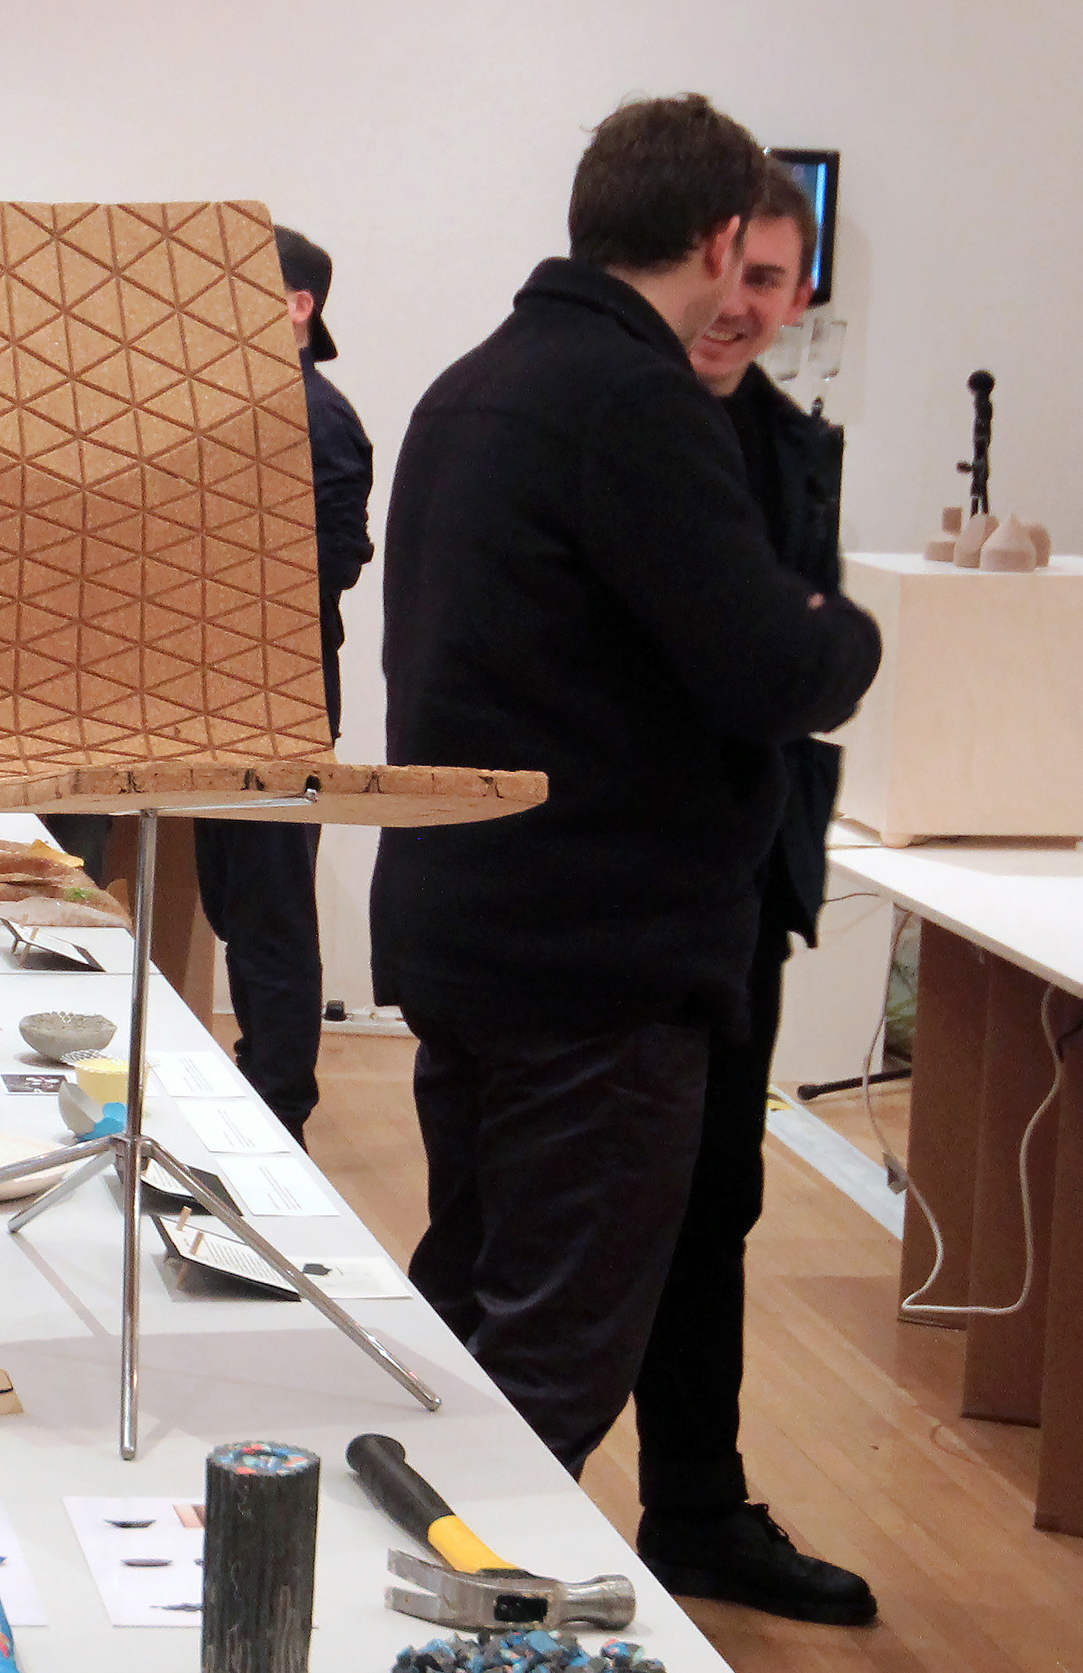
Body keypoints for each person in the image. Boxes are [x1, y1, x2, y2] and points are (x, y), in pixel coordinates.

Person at [370, 96, 881, 1478]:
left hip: (473, 924)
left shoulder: (474, 382)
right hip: (592, 958)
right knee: (553, 1348)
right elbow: (774, 666)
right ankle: (456, 1598)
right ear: (719, 240)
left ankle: (387, 1567)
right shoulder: (633, 403)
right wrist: (843, 628)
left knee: (474, 1303)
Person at [621, 162, 879, 1623]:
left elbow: (793, 664)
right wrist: (804, 644)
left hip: (746, 875)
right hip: (628, 884)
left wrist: (800, 650)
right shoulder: (620, 419)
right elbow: (768, 652)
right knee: (585, 1218)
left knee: (720, 1195)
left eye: (773, 283)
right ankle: (490, 1511)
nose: (743, 307)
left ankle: (697, 1505)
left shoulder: (789, 442)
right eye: (734, 274)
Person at [189, 225, 376, 1141]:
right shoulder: (243, 409)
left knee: (270, 913)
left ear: (298, 306)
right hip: (222, 694)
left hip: (279, 698)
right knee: (236, 902)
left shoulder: (321, 416)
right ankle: (260, 1082)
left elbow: (337, 557)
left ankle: (279, 1108)